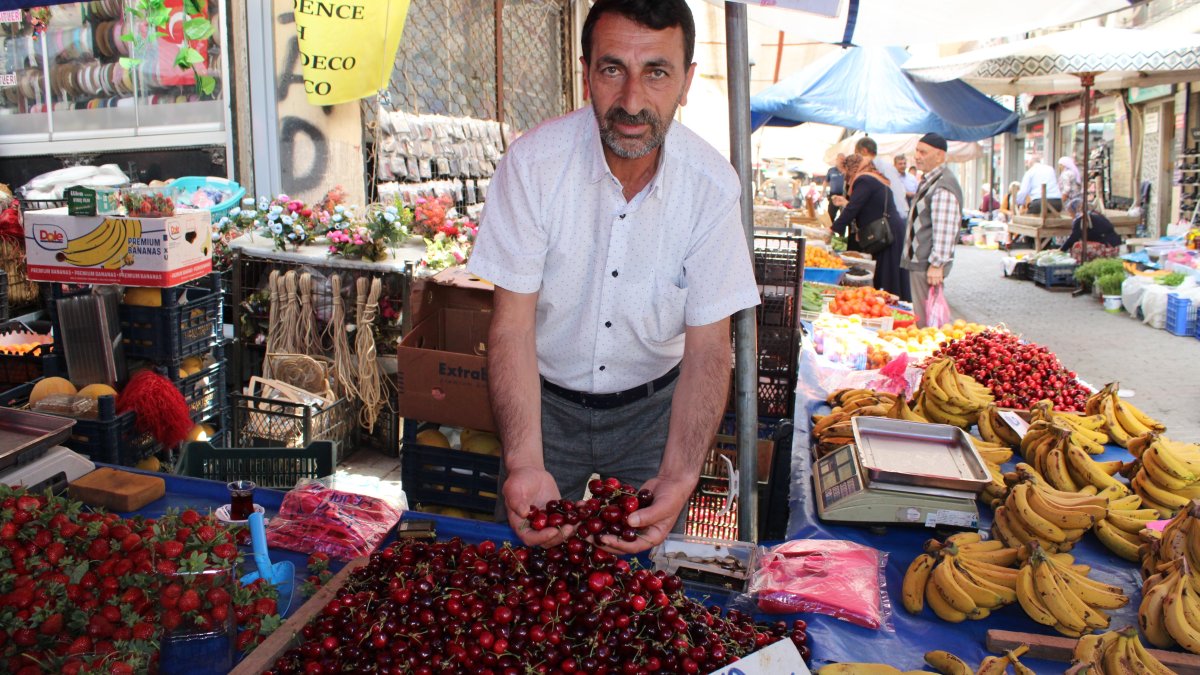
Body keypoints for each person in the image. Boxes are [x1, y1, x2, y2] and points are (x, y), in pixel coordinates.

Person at [467, 0, 760, 555]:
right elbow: (510, 327)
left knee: (639, 587)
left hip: (653, 416)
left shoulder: (711, 187)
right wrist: (524, 462)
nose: (632, 101)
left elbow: (708, 348)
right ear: (585, 75)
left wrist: (680, 476)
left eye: (656, 72)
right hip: (542, 405)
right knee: (522, 578)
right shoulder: (533, 165)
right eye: (611, 69)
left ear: (686, 81)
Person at [902, 133, 963, 327]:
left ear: (939, 156)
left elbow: (945, 227)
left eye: (923, 152)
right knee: (924, 316)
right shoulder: (930, 180)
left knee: (927, 321)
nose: (917, 156)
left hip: (926, 265)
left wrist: (937, 264)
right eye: (917, 151)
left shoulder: (942, 184)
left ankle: (929, 354)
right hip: (920, 262)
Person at [832, 154, 910, 301]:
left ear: (852, 168)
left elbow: (853, 208)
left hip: (887, 233)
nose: (845, 177)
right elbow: (865, 206)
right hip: (889, 230)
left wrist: (832, 229)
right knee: (889, 272)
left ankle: (890, 307)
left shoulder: (864, 179)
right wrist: (845, 203)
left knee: (888, 274)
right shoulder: (873, 177)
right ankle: (890, 303)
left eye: (845, 172)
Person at [855, 137, 908, 217]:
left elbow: (896, 193)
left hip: (895, 217)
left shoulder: (884, 168)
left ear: (864, 151)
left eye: (857, 153)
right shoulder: (874, 167)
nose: (857, 157)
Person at [826, 153, 846, 222]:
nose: (842, 161)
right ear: (837, 160)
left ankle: (841, 232)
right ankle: (830, 230)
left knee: (844, 216)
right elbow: (826, 181)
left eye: (843, 159)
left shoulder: (847, 170)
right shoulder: (831, 170)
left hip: (844, 195)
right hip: (833, 195)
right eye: (840, 159)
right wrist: (822, 193)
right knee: (830, 215)